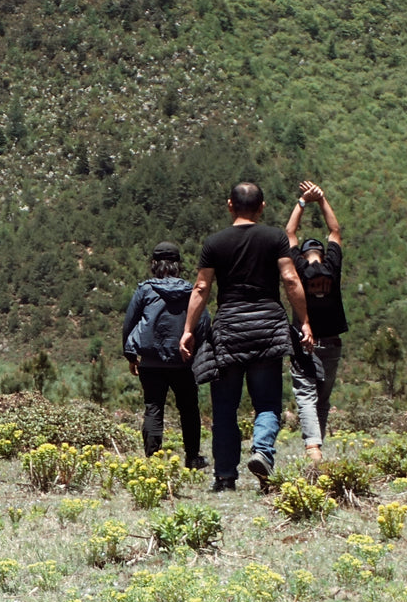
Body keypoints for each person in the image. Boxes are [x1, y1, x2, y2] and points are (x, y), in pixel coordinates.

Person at [181, 182, 313, 492]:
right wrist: (305, 321)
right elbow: (290, 279)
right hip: (268, 327)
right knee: (267, 402)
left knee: (225, 406)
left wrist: (188, 329)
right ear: (262, 207)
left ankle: (225, 476)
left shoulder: (215, 243)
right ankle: (262, 451)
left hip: (229, 329)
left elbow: (201, 288)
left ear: (229, 205)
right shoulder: (275, 239)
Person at [121, 241, 208, 469]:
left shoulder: (145, 290)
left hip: (150, 362)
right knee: (189, 409)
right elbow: (203, 323)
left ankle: (153, 461)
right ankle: (192, 458)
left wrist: (131, 356)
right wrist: (197, 352)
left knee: (153, 408)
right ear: (178, 265)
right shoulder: (191, 291)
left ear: (154, 264)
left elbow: (129, 324)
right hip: (183, 360)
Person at [285, 180, 348, 462]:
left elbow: (289, 233)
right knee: (322, 400)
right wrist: (322, 200)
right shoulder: (332, 267)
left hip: (305, 340)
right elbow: (335, 230)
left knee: (306, 394)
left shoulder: (297, 268)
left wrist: (302, 202)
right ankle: (316, 445)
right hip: (332, 343)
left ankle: (313, 447)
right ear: (322, 253)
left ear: (304, 254)